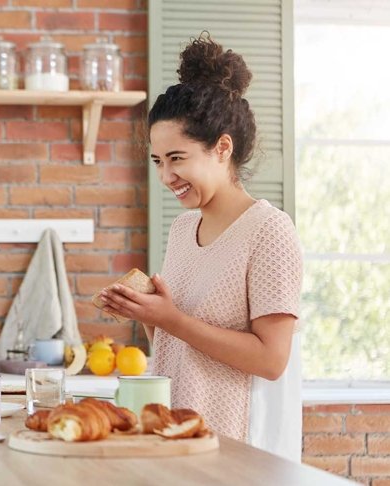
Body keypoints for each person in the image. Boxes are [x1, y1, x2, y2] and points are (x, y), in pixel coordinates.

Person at [98, 34, 303, 461]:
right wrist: (144, 313)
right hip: (177, 432)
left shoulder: (269, 231)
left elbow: (271, 360)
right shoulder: (183, 227)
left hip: (235, 446)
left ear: (222, 148)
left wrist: (170, 318)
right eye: (157, 161)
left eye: (177, 158)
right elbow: (176, 344)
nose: (166, 176)